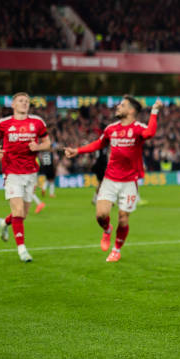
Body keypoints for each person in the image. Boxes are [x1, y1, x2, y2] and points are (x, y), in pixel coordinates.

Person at [65, 96, 162, 262]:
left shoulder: (138, 128)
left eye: (122, 105)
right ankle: (107, 229)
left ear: (131, 111)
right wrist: (78, 150)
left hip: (129, 182)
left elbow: (150, 133)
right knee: (101, 215)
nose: (118, 107)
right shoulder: (111, 129)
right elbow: (98, 144)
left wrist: (154, 111)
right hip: (110, 179)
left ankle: (116, 250)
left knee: (123, 218)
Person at [0, 92, 51, 262]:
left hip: (31, 172)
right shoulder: (3, 123)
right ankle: (22, 250)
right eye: (21, 101)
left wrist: (38, 147)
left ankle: (3, 223)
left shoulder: (37, 122)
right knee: (17, 211)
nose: (24, 103)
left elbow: (48, 142)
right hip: (11, 172)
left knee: (22, 214)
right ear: (13, 105)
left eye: (27, 101)